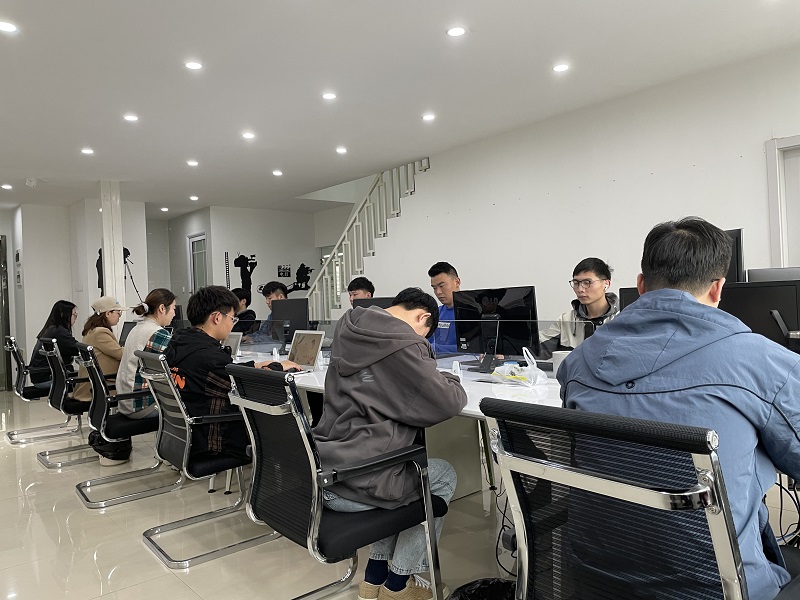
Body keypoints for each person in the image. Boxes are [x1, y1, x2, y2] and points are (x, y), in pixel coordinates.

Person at [558, 217, 800, 600]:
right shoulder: (763, 361)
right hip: (717, 587)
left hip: (595, 579)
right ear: (718, 288)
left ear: (641, 285)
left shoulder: (577, 361)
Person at [314, 287, 467, 600]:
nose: (422, 342)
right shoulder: (404, 343)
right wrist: (450, 378)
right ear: (423, 317)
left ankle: (374, 577)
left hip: (327, 467)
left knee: (401, 469)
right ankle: (398, 583)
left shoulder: (349, 324)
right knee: (440, 475)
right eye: (425, 336)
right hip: (359, 481)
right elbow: (446, 402)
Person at [165, 286, 299, 461]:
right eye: (232, 318)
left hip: (184, 436)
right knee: (289, 421)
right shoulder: (210, 357)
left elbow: (221, 373)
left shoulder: (179, 343)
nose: (232, 324)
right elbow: (247, 387)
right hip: (215, 440)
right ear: (217, 317)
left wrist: (254, 365)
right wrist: (278, 367)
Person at [540, 257, 619, 358]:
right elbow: (537, 350)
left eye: (587, 282)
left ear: (606, 284)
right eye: (576, 283)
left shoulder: (622, 318)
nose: (580, 289)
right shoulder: (566, 320)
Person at [116, 288, 177, 419]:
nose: (174, 313)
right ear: (162, 308)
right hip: (141, 406)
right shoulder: (158, 333)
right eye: (173, 308)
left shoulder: (137, 328)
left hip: (126, 401)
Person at [72, 296, 125, 403]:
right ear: (108, 313)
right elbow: (121, 354)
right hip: (103, 386)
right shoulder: (100, 333)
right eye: (118, 313)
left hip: (95, 384)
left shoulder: (92, 330)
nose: (119, 316)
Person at [29, 300, 80, 387]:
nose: (76, 318)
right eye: (74, 314)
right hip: (48, 377)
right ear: (63, 315)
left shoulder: (51, 329)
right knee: (88, 380)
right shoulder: (59, 331)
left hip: (41, 376)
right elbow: (77, 349)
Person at [427, 262, 460, 355]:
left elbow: (473, 349)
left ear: (457, 282)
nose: (438, 292)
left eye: (441, 286)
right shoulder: (435, 313)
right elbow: (426, 342)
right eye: (434, 288)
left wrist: (435, 348)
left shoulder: (473, 313)